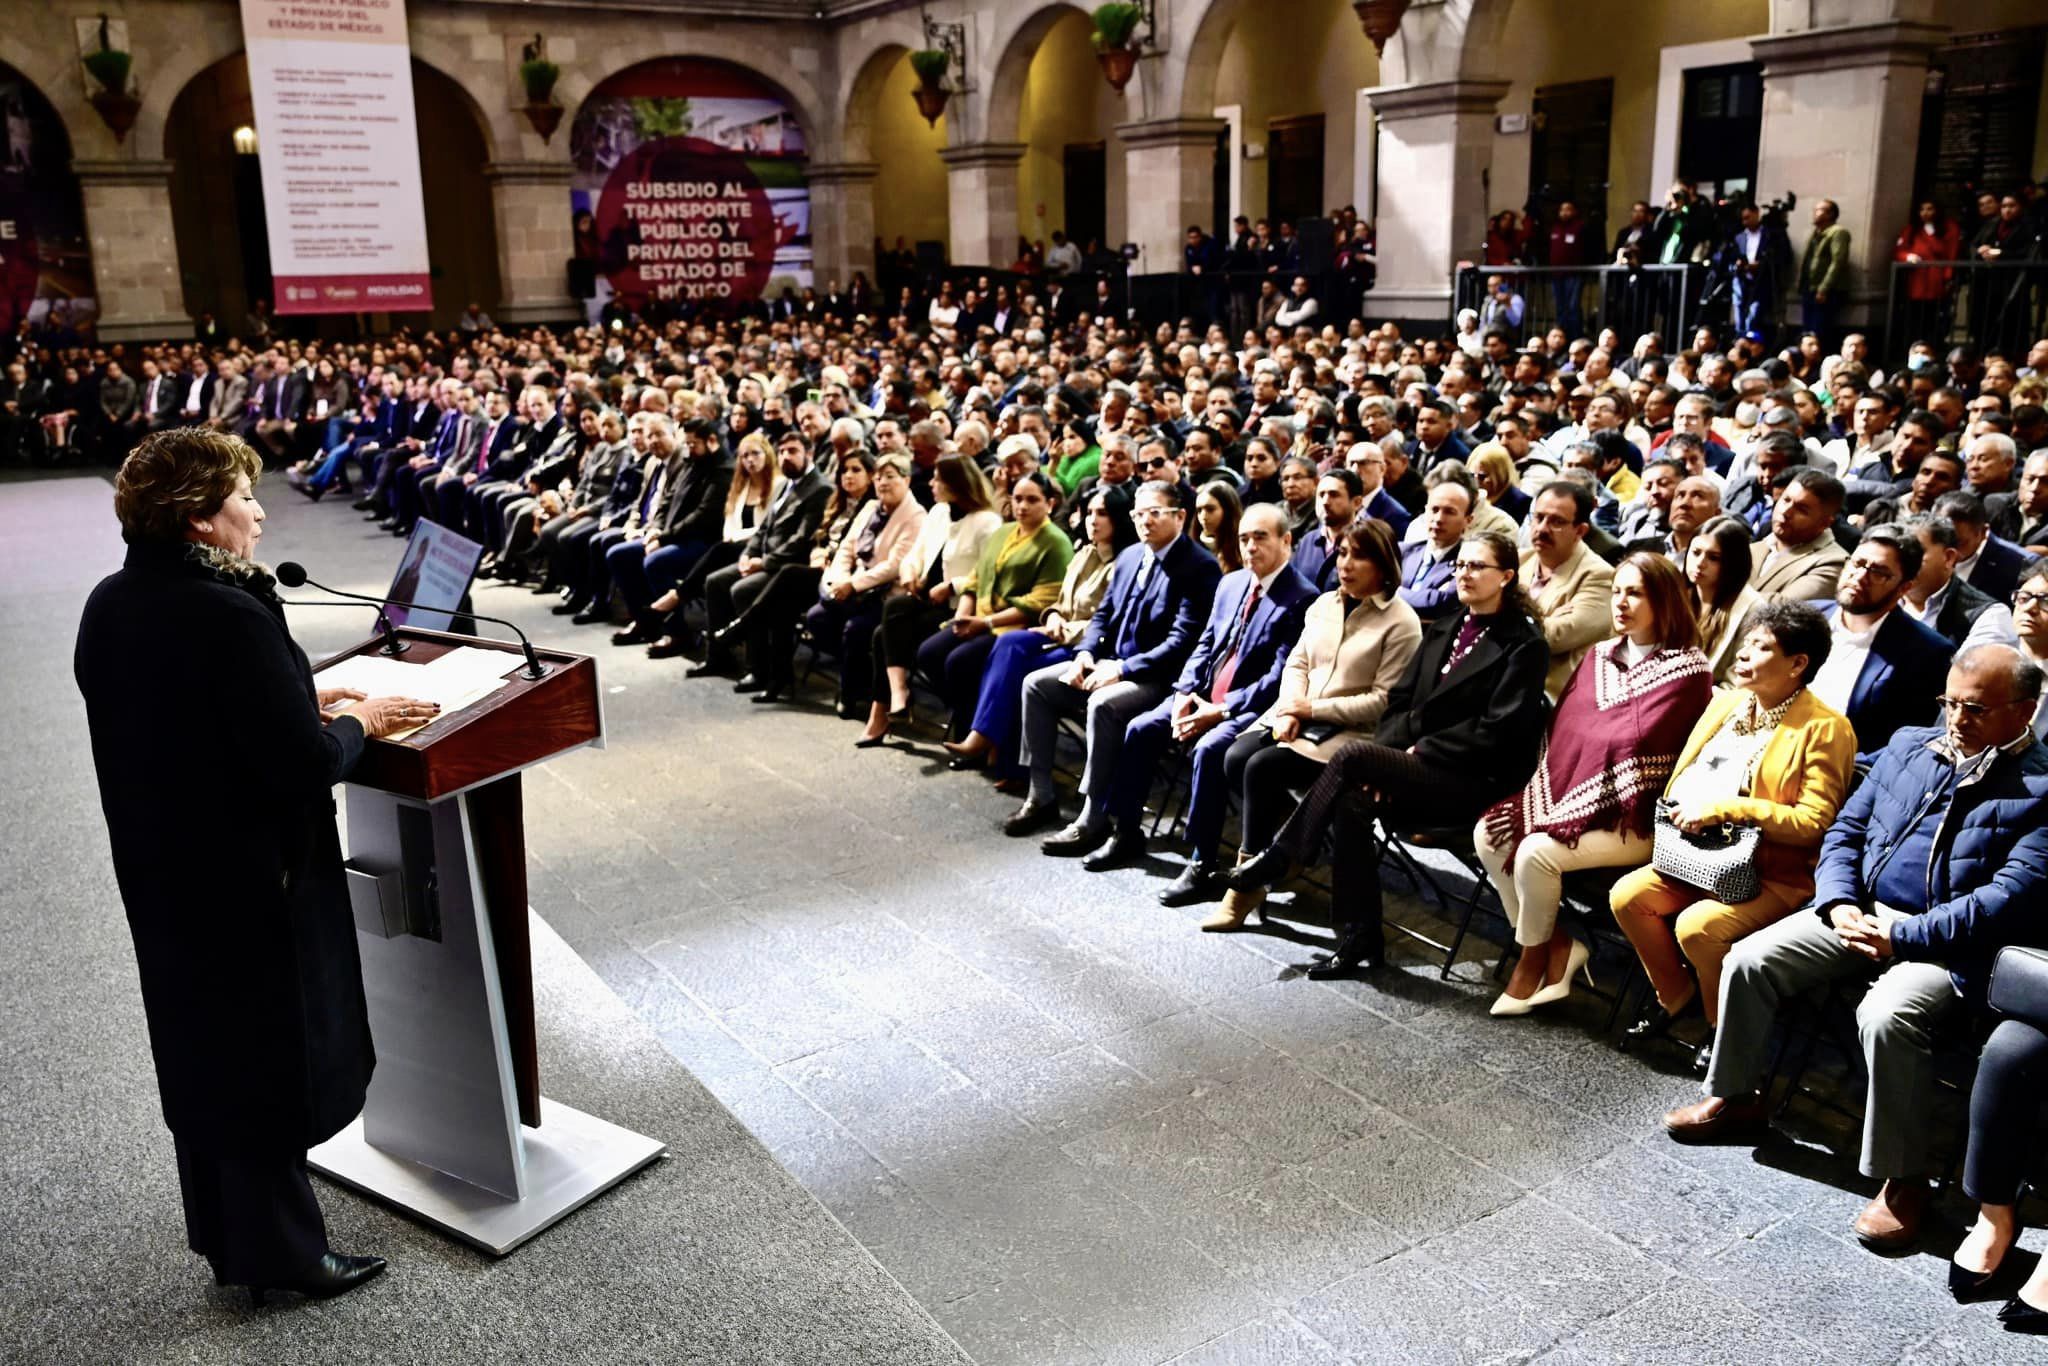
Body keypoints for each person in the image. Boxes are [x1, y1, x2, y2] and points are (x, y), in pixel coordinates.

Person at [74, 428, 435, 1304]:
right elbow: (298, 766)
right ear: (199, 518)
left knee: (203, 1052)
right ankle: (284, 1257)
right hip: (250, 881)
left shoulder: (115, 600)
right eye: (243, 496)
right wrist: (364, 721)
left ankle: (229, 1237)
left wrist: (304, 694)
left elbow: (184, 716)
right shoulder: (227, 612)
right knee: (265, 1058)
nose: (261, 512)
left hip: (168, 872)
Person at [1664, 645, 2048, 1255]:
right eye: (1950, 702)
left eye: (1975, 709)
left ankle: (1904, 1179)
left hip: (1952, 946)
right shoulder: (1909, 746)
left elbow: (2005, 902)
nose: (1956, 719)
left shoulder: (2040, 787)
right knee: (1748, 960)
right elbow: (1844, 831)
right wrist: (1839, 902)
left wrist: (1903, 936)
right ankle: (1737, 1096)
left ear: (2025, 711)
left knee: (1888, 1014)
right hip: (1861, 912)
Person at [1223, 530, 1551, 977]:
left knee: (1355, 757)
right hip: (1418, 768)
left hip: (1475, 780)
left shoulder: (1524, 643)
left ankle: (1284, 854)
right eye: (1460, 565)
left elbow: (1498, 732)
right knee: (1353, 797)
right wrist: (1394, 760)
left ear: (1507, 576)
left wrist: (1417, 751)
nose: (1464, 574)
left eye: (1477, 566)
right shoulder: (1451, 625)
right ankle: (1361, 940)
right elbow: (1399, 702)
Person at [1610, 602, 1855, 1070]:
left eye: (1761, 647)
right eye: (1745, 643)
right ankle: (1675, 999)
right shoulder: (1725, 703)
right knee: (1627, 896)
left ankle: (1722, 1028)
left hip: (1770, 875)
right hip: (1697, 855)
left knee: (1698, 928)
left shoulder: (1826, 730)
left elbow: (1813, 824)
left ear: (1798, 664)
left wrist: (1730, 807)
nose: (1743, 655)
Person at [1477, 554, 1714, 1014]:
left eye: (1635, 593)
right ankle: (1558, 944)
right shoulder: (1599, 656)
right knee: (1488, 835)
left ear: (1663, 600)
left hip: (1635, 821)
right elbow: (1568, 732)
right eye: (1616, 592)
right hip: (1572, 806)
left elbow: (1637, 746)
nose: (1621, 603)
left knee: (1535, 852)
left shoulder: (1690, 671)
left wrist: (1602, 746)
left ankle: (1531, 960)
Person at [1208, 519, 1424, 929]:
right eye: (1342, 553)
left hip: (1351, 734)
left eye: (1359, 556)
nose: (1346, 564)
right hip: (1299, 713)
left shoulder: (1401, 622)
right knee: (1235, 756)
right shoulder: (1324, 604)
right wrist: (1290, 708)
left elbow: (1382, 702)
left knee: (1262, 767)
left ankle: (1247, 883)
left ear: (1384, 565)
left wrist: (1310, 710)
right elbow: (1298, 662)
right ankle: (1291, 848)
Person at [1094, 503, 1316, 888]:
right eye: (1244, 538)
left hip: (1250, 708)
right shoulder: (1232, 583)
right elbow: (1205, 643)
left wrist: (1222, 709)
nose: (1250, 547)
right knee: (1142, 728)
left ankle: (1203, 861)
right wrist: (1184, 691)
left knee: (1210, 750)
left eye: (1260, 537)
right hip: (1201, 695)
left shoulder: (1301, 597)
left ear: (1286, 540)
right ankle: (1126, 829)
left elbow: (1279, 676)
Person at [1006, 480, 1221, 847]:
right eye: (1138, 514)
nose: (1144, 522)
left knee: (1103, 703)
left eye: (1155, 513)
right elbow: (1103, 616)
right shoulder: (1131, 556)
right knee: (1037, 685)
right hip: (1109, 660)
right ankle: (1040, 793)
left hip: (1156, 677)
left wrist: (1122, 669)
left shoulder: (1199, 567)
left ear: (1180, 516)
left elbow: (1181, 643)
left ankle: (1095, 815)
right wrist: (1085, 655)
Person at [942, 489, 1133, 783]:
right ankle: (986, 739)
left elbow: (1110, 623)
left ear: (1120, 518)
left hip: (1088, 648)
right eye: (1089, 512)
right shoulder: (1084, 552)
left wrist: (1060, 629)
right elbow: (1060, 602)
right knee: (1008, 643)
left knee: (1020, 670)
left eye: (1103, 514)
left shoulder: (1123, 564)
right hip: (1058, 632)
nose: (1093, 520)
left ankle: (999, 752)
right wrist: (1053, 617)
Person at [900, 470, 1073, 747]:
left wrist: (986, 623)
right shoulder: (1004, 531)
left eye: (1032, 500)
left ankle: (974, 733)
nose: (1022, 506)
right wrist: (963, 617)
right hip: (980, 615)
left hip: (1015, 626)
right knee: (929, 653)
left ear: (1049, 503)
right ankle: (970, 713)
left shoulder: (1056, 542)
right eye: (1017, 499)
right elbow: (977, 579)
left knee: (959, 662)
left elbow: (1042, 601)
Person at [855, 455, 1000, 739]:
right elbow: (915, 554)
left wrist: (952, 586)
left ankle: (891, 707)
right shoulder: (938, 513)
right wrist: (910, 572)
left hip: (958, 606)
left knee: (882, 635)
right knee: (893, 613)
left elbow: (988, 573)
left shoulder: (987, 522)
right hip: (924, 599)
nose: (931, 484)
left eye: (938, 479)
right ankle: (894, 699)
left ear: (955, 484)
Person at [722, 452, 876, 699]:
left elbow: (866, 551)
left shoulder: (872, 508)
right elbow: (818, 538)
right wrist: (818, 553)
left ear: (871, 476)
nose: (848, 476)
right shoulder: (837, 502)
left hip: (844, 578)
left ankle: (744, 624)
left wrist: (832, 559)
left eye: (856, 470)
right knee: (781, 607)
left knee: (788, 573)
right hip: (820, 572)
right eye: (844, 470)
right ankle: (778, 679)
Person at [1809, 524, 1951, 758]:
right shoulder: (1808, 616)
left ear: (1904, 588)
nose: (1860, 577)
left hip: (1845, 771)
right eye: (1857, 563)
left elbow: (1903, 744)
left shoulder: (1927, 653)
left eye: (1878, 572)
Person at [803, 454, 925, 719]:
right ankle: (862, 676)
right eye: (879, 476)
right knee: (817, 618)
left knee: (855, 630)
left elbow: (894, 565)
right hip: (854, 586)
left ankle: (850, 692)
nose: (883, 482)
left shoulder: (915, 516)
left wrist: (854, 584)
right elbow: (847, 547)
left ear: (906, 479)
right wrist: (840, 579)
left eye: (890, 476)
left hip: (884, 594)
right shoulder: (870, 507)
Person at [1521, 481, 1616, 698]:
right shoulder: (1519, 561)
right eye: (1538, 517)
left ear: (1580, 530)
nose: (1542, 528)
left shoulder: (1599, 576)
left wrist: (1505, 615)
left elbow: (1552, 638)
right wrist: (1543, 618)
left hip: (1548, 696)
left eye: (1557, 522)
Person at [1685, 514, 1764, 684]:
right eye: (1696, 552)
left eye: (1713, 558)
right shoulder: (1677, 593)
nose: (1700, 563)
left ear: (1734, 563)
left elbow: (1737, 682)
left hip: (1712, 703)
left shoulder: (1753, 609)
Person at [1749, 468, 1849, 602]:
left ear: (1825, 523)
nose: (1785, 512)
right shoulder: (1755, 547)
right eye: (1786, 500)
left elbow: (1778, 608)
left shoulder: (1833, 564)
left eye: (1802, 509)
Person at [1796, 199, 1850, 343]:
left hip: (1825, 290)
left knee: (1820, 330)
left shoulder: (1838, 232)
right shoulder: (1816, 233)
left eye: (1819, 210)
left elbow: (1838, 261)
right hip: (1809, 288)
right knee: (1807, 330)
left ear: (1830, 214)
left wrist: (1824, 288)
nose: (1815, 213)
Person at [1194, 480, 1245, 573]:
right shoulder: (1192, 547)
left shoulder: (1244, 547)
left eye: (1210, 509)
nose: (1203, 516)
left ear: (1228, 510)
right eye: (1199, 510)